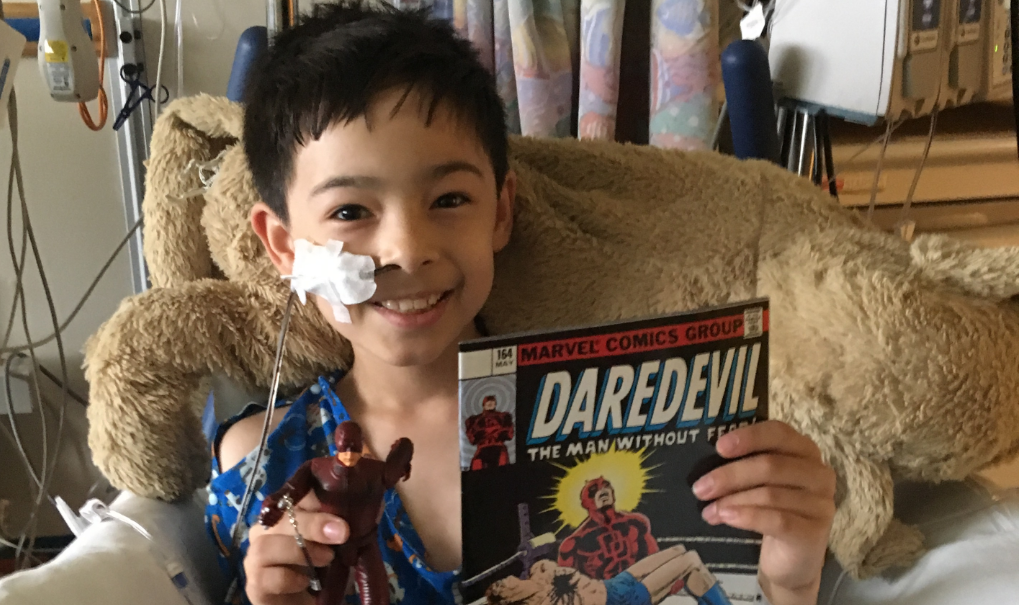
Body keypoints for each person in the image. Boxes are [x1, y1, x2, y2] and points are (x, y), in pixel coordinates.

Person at [204, 3, 837, 605]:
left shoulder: (641, 420)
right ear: (285, 247)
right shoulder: (264, 467)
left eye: (449, 199)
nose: (407, 249)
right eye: (349, 212)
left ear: (502, 211)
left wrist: (789, 581)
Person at [464, 395, 514, 469]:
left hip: (499, 450)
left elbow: (509, 434)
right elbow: (472, 438)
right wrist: (495, 431)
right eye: (488, 402)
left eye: (492, 402)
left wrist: (486, 432)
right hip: (482, 451)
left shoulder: (503, 417)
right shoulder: (474, 420)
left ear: (495, 404)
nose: (490, 403)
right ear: (484, 404)